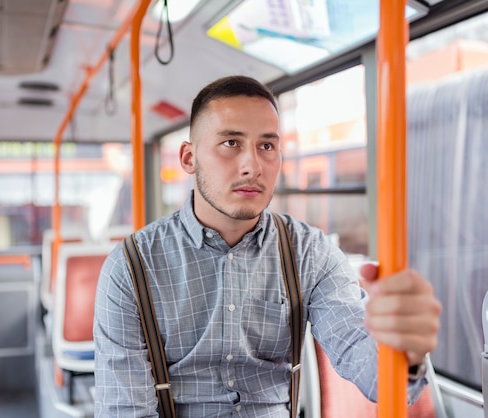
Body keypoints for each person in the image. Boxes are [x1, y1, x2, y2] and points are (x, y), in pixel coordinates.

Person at [93, 75, 442, 417]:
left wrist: (403, 352)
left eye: (267, 146)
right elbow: (127, 411)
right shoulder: (130, 267)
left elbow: (368, 364)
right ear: (189, 158)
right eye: (231, 143)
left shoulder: (310, 254)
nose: (252, 166)